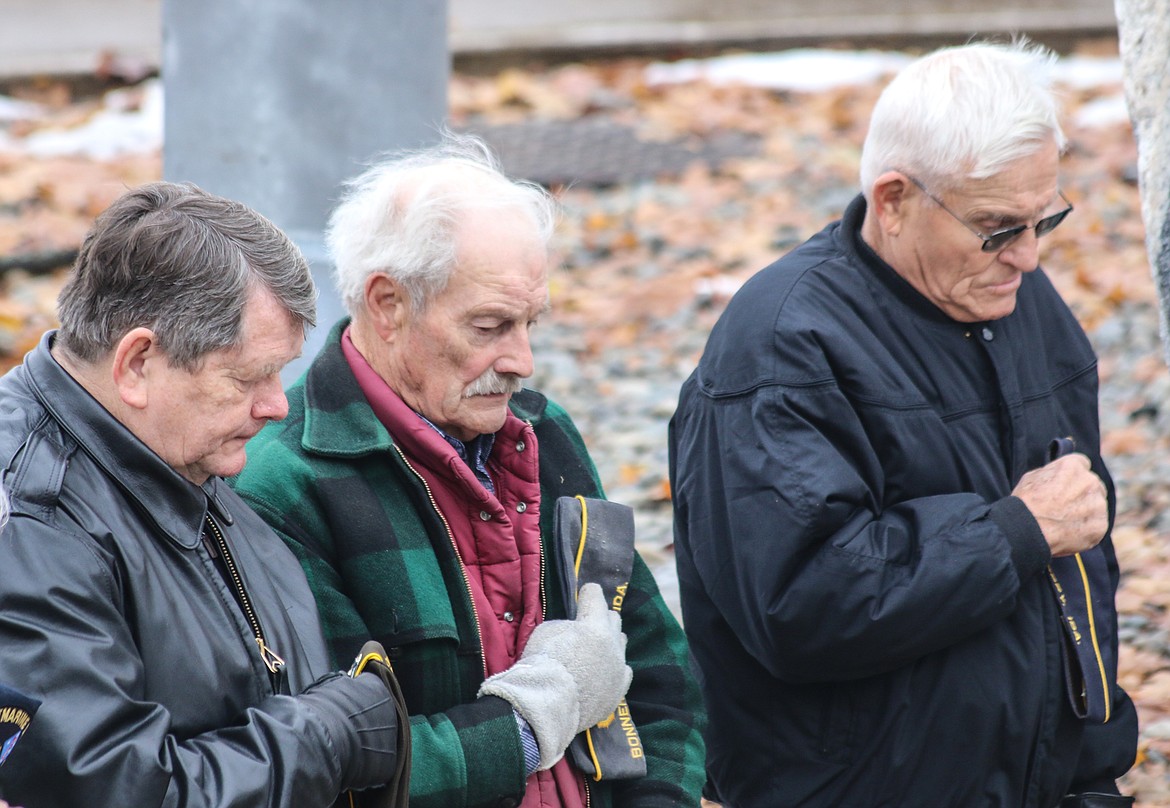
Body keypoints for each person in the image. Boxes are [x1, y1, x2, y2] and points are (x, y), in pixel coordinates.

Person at [668, 40, 1138, 808]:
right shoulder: (785, 346)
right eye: (996, 228)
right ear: (893, 200)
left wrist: (1093, 768)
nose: (1025, 256)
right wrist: (1014, 531)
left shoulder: (1022, 300)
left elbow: (1082, 572)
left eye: (1042, 222)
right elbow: (801, 607)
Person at [231, 134, 706, 808]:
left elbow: (659, 670)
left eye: (530, 323)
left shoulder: (545, 432)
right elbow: (335, 770)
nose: (522, 359)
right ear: (388, 304)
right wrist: (535, 717)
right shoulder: (280, 485)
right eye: (490, 326)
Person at [0, 182, 408, 807]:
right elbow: (117, 792)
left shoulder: (174, 447)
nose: (277, 405)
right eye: (247, 376)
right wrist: (332, 735)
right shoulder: (30, 524)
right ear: (137, 363)